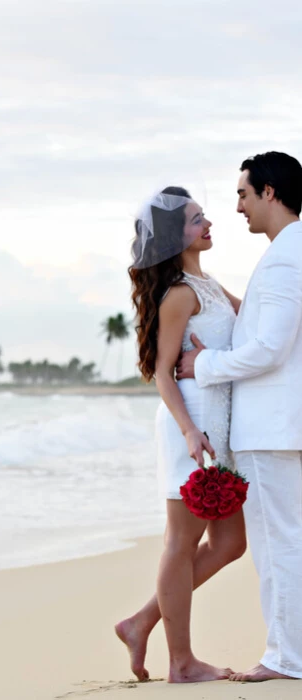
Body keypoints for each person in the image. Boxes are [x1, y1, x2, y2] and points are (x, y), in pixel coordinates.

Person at [177, 151, 302, 682]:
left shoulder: (284, 258)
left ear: (270, 193)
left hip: (273, 427)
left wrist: (203, 363)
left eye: (244, 194)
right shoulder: (290, 252)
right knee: (288, 540)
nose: (237, 207)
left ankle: (286, 657)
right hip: (284, 422)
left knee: (279, 546)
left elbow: (268, 350)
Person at [115, 187, 246, 683]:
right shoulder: (178, 294)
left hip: (221, 427)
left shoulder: (207, 283)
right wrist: (190, 431)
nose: (208, 223)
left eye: (204, 216)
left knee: (230, 542)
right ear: (175, 235)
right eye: (196, 220)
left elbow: (256, 311)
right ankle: (181, 661)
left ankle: (141, 620)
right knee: (182, 540)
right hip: (190, 427)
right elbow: (163, 373)